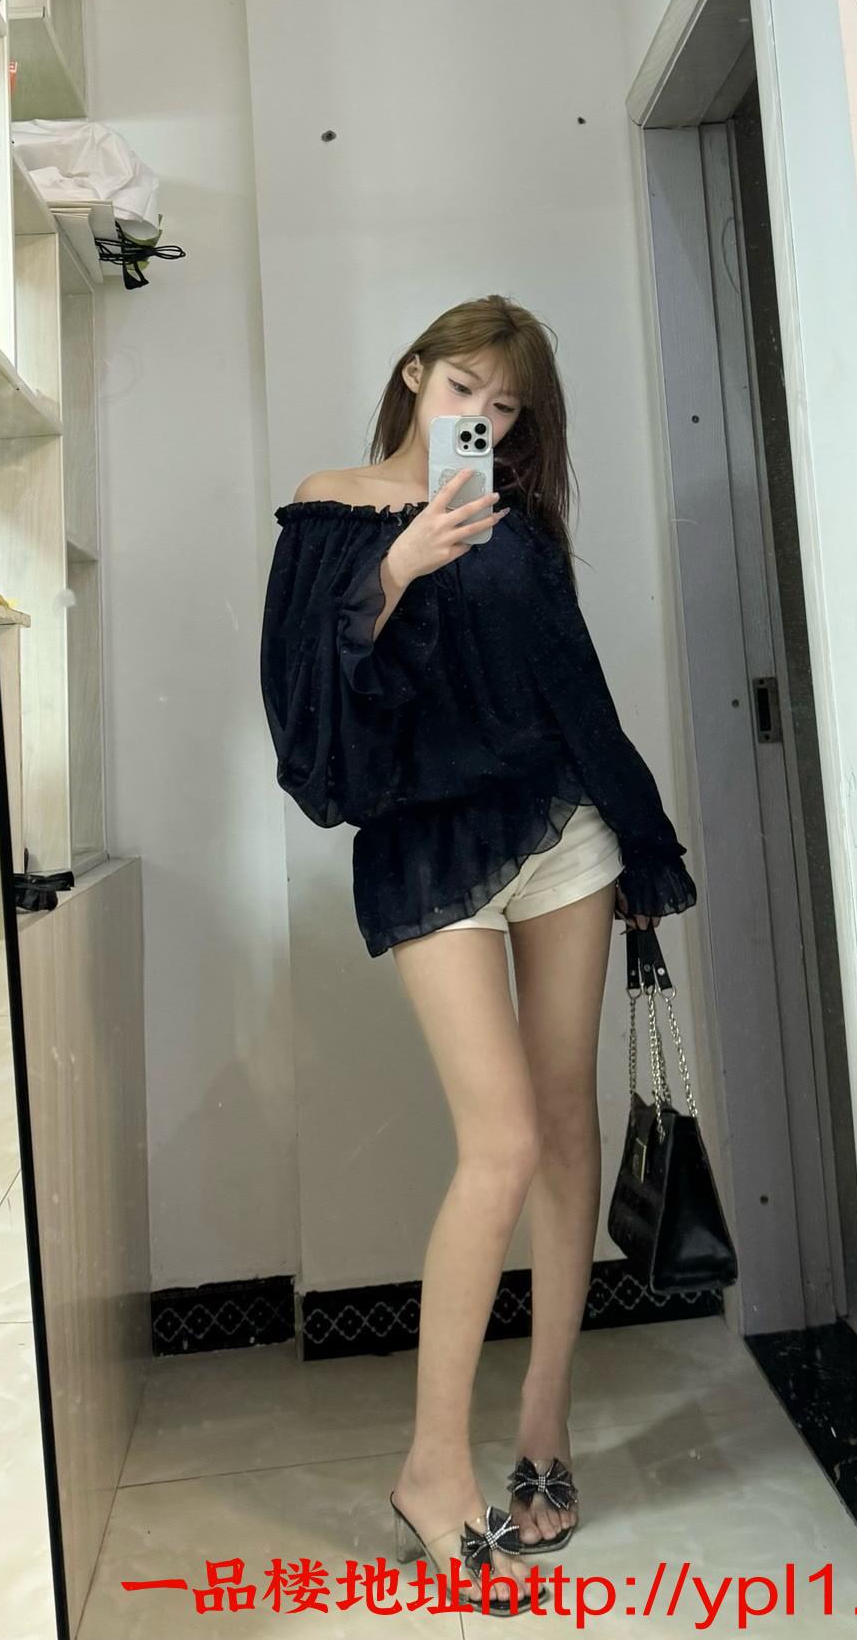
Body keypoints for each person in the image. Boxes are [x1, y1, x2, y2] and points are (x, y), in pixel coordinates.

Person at [260, 294, 697, 1615]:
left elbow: (574, 685)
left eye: (506, 409)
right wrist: (398, 566)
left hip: (563, 834)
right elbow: (302, 708)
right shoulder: (328, 508)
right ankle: (432, 1470)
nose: (483, 421)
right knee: (498, 1141)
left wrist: (641, 839)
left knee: (562, 1129)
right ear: (414, 371)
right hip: (425, 847)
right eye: (465, 389)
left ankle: (543, 1435)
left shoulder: (517, 518)